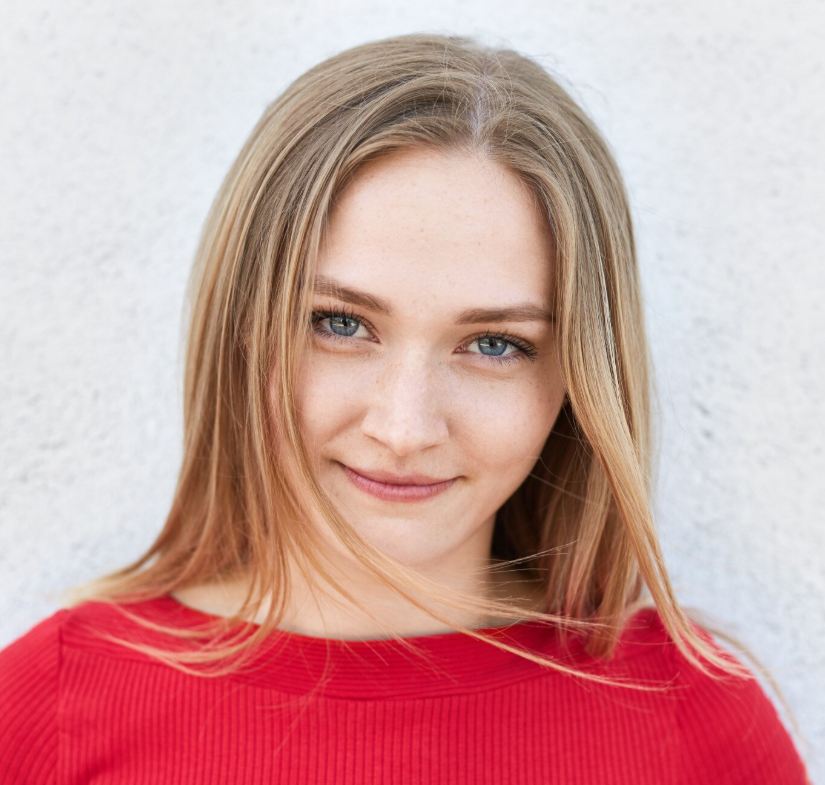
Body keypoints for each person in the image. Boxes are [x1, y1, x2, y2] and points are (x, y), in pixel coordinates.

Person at [0, 31, 811, 784]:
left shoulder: (691, 719)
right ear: (242, 331)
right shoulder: (49, 709)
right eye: (339, 324)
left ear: (579, 377)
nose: (403, 428)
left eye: (493, 343)